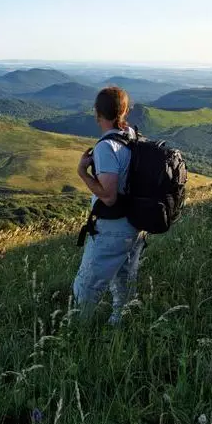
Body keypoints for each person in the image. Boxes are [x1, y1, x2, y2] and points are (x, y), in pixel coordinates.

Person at [73, 86, 145, 324]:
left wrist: (83, 172)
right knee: (125, 281)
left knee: (86, 287)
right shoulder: (132, 135)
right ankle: (121, 326)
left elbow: (109, 195)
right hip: (135, 224)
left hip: (112, 227)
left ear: (97, 113)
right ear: (124, 111)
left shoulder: (106, 147)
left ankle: (81, 333)